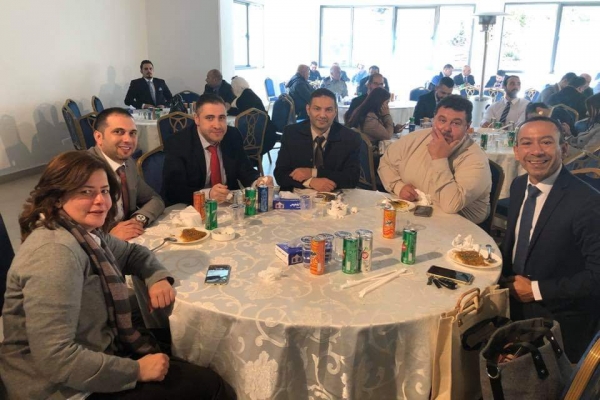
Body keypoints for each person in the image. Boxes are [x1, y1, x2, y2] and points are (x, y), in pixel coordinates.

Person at [0, 151, 232, 400]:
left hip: (99, 347)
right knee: (212, 385)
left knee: (190, 346)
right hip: (59, 389)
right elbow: (55, 358)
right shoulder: (55, 253)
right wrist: (136, 370)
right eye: (86, 192)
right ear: (57, 198)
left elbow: (133, 253)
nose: (101, 200)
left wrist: (156, 277)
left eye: (105, 191)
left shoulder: (85, 234)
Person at [500, 116, 600, 360]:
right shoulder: (519, 185)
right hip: (512, 297)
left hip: (557, 316)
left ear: (563, 149)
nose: (536, 151)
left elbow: (597, 276)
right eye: (527, 143)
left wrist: (535, 290)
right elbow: (516, 241)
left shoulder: (587, 202)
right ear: (516, 151)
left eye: (546, 142)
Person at [379, 95, 491, 224]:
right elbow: (386, 163)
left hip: (460, 227)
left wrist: (440, 158)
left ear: (467, 127)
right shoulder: (415, 139)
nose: (446, 128)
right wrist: (399, 187)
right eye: (442, 120)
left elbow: (451, 205)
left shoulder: (476, 159)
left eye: (456, 123)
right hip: (413, 216)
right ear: (434, 119)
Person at [163, 94, 272, 206]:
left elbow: (245, 171)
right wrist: (208, 194)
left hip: (228, 206)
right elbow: (174, 190)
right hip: (191, 208)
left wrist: (258, 182)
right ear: (197, 119)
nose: (217, 125)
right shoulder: (178, 143)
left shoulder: (232, 135)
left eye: (221, 118)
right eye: (209, 118)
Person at [89, 108, 164, 241]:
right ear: (99, 137)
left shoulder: (128, 164)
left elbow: (155, 199)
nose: (128, 139)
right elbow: (69, 229)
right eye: (118, 132)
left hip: (129, 241)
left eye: (132, 133)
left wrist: (138, 220)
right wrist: (110, 238)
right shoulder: (81, 170)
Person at [274, 88, 361, 192]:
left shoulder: (350, 137)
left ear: (335, 112)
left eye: (328, 110)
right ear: (308, 110)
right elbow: (280, 174)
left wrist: (313, 172)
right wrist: (310, 182)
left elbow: (352, 179)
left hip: (336, 197)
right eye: (317, 109)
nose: (322, 115)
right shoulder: (291, 133)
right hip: (298, 197)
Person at [227, 76, 277, 155]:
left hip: (256, 139)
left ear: (235, 88)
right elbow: (244, 111)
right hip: (265, 131)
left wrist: (228, 109)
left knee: (230, 138)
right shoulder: (249, 93)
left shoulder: (242, 98)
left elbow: (241, 113)